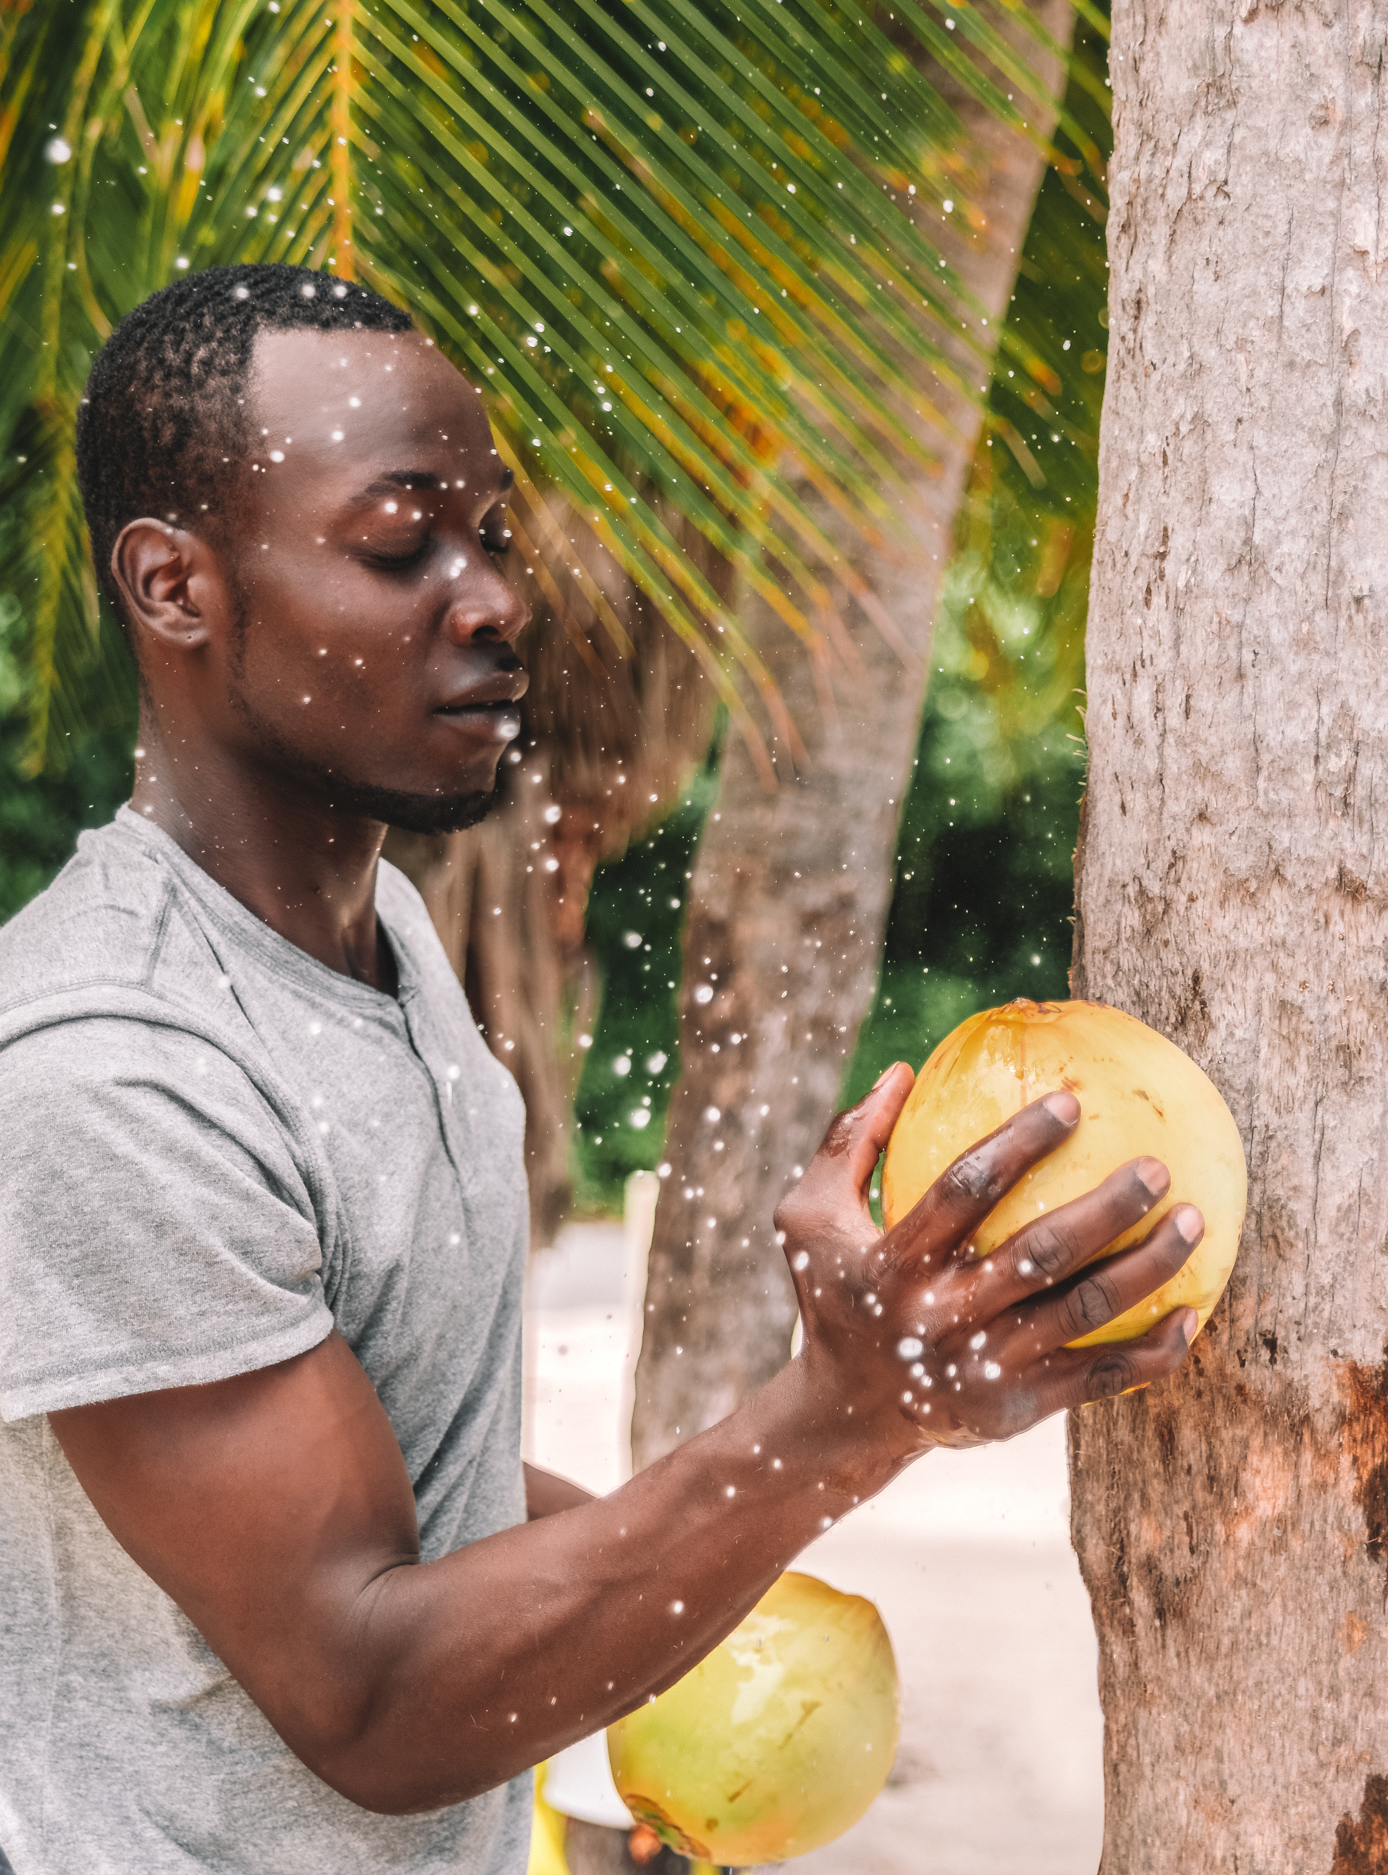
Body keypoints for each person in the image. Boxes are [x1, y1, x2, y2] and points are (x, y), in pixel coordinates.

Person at [0, 263, 1202, 1875]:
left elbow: (407, 1441)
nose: (497, 596)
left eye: (493, 532)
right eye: (398, 541)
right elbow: (370, 1699)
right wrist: (841, 1420)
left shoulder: (377, 943)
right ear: (175, 588)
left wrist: (714, 1610)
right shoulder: (114, 1073)